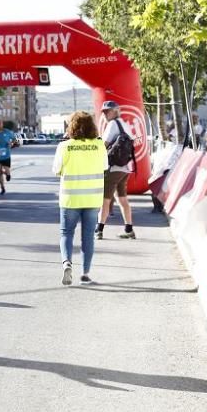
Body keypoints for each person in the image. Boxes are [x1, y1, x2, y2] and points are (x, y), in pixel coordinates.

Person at [53, 111, 108, 285]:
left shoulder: (65, 146)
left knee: (66, 233)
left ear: (72, 126)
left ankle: (67, 263)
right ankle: (85, 274)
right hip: (92, 199)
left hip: (70, 199)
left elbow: (56, 170)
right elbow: (105, 166)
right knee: (88, 237)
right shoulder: (99, 145)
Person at [96, 100, 136, 240]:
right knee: (122, 199)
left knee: (105, 200)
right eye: (104, 112)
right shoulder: (125, 124)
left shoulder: (112, 124)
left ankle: (98, 230)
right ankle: (129, 229)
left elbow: (103, 145)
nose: (105, 114)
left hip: (113, 168)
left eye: (108, 111)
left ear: (115, 111)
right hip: (125, 168)